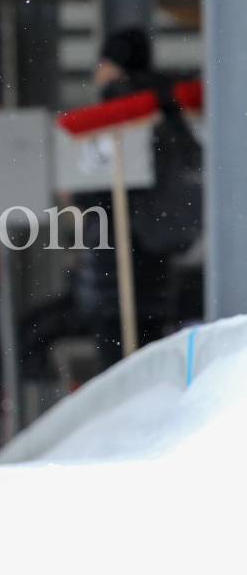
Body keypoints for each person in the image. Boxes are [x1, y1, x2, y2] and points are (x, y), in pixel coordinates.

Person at [74, 27, 201, 368]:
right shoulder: (168, 110)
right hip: (160, 263)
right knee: (150, 367)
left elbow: (92, 192)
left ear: (112, 65)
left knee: (119, 373)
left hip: (115, 268)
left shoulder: (116, 113)